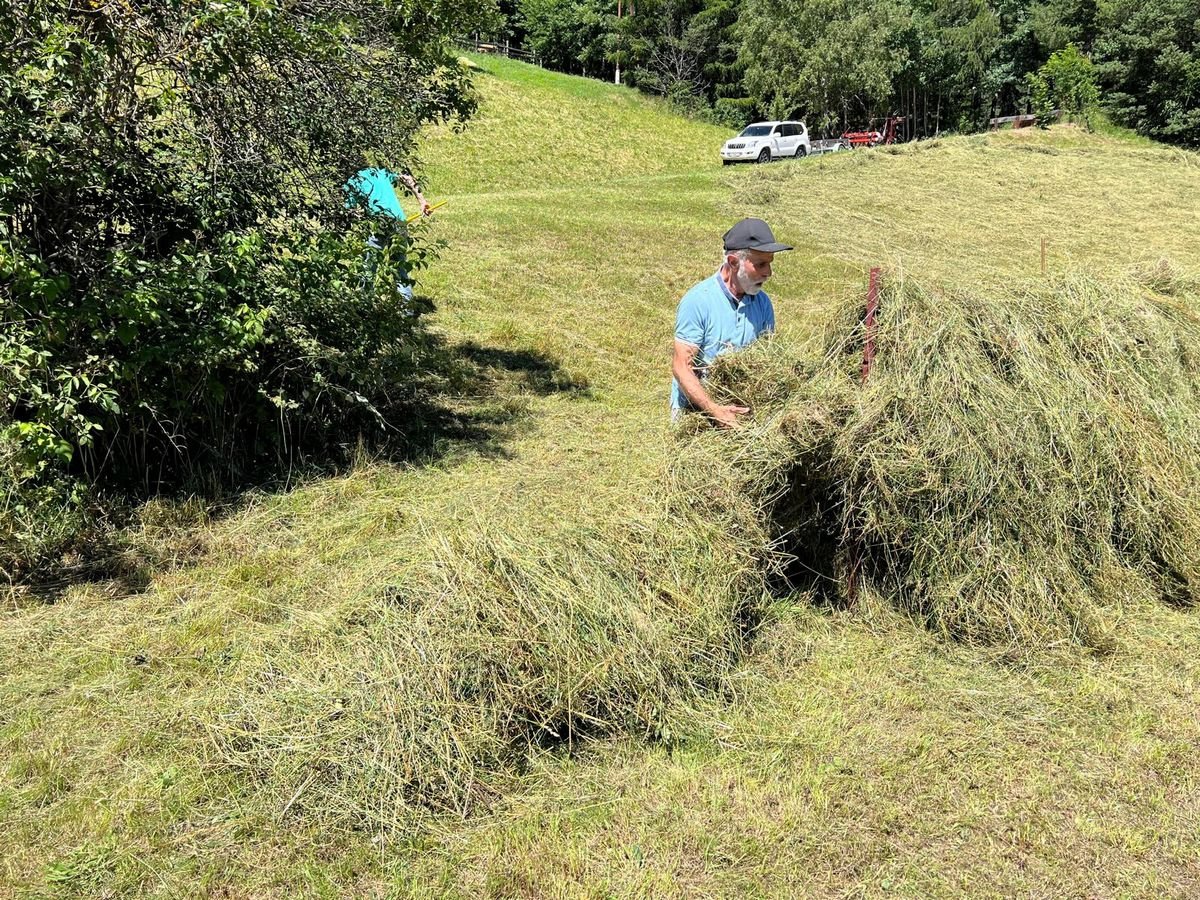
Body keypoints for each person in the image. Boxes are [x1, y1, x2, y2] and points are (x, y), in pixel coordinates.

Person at [670, 217, 793, 427]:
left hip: (741, 413)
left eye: (770, 264)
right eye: (760, 264)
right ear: (734, 262)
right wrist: (715, 410)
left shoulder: (763, 304)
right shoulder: (699, 301)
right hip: (696, 414)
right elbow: (681, 366)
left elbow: (768, 362)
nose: (768, 273)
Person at [342, 166, 431, 304]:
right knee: (399, 266)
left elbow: (349, 211)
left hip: (380, 224)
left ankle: (365, 304)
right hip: (399, 222)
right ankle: (405, 310)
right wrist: (422, 201)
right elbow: (407, 178)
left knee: (369, 266)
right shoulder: (378, 171)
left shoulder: (351, 182)